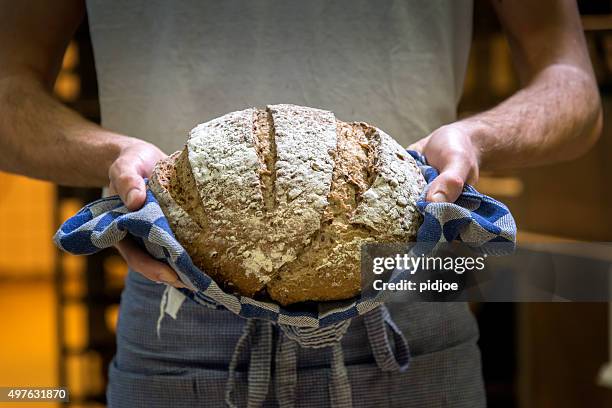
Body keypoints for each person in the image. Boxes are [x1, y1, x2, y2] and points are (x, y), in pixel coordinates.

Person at [0, 1, 601, 406]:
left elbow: (573, 87)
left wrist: (477, 138)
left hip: (413, 284)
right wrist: (116, 154)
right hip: (176, 305)